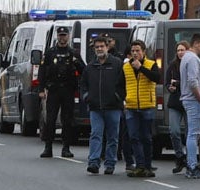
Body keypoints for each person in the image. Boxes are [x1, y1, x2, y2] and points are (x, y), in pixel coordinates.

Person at [81, 36, 126, 174]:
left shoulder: (117, 64)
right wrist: (87, 97)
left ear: (107, 47)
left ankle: (110, 163)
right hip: (96, 107)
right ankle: (94, 162)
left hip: (113, 107)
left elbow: (124, 84)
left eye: (102, 46)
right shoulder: (90, 66)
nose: (99, 49)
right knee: (96, 134)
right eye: (97, 47)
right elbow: (83, 84)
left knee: (113, 137)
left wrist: (118, 97)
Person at [38, 26, 84, 159]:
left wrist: (76, 63)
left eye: (64, 35)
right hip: (53, 90)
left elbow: (83, 70)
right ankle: (48, 147)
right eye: (60, 35)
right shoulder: (50, 52)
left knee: (67, 120)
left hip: (68, 90)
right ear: (57, 36)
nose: (62, 37)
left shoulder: (73, 53)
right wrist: (41, 89)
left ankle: (66, 148)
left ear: (68, 36)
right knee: (50, 119)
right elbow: (42, 71)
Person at [121, 40, 160, 178]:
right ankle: (140, 166)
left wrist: (141, 68)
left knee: (146, 138)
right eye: (133, 51)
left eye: (138, 50)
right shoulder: (126, 67)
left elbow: (157, 78)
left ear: (143, 52)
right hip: (131, 106)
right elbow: (120, 84)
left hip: (146, 106)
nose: (135, 53)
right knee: (133, 137)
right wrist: (124, 98)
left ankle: (148, 166)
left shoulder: (151, 64)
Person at [180, 34, 200, 179]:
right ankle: (192, 166)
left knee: (193, 133)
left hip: (190, 100)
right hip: (194, 101)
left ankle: (192, 165)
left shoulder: (186, 57)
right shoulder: (192, 59)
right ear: (196, 44)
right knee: (193, 134)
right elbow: (193, 82)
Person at [165, 41, 189, 173]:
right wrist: (170, 87)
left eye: (183, 50)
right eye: (178, 50)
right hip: (175, 102)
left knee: (189, 133)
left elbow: (190, 82)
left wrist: (178, 84)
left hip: (188, 102)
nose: (180, 52)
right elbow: (167, 82)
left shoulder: (191, 64)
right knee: (174, 131)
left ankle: (190, 159)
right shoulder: (172, 66)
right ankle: (179, 156)